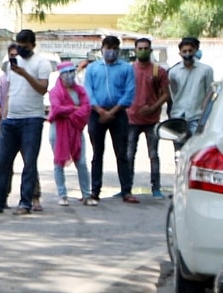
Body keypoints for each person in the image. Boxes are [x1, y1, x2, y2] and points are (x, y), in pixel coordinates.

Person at [0, 29, 51, 215]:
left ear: (33, 45)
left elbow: (42, 89)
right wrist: (2, 115)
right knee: (3, 162)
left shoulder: (41, 63)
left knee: (29, 163)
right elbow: (8, 90)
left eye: (25, 47)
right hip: (11, 118)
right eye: (19, 46)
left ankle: (25, 203)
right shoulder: (9, 64)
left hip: (32, 119)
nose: (22, 50)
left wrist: (24, 74)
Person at [81, 35, 138, 204]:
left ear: (118, 50)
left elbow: (129, 92)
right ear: (102, 49)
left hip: (118, 113)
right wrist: (99, 110)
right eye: (108, 48)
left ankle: (126, 191)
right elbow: (88, 91)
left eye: (114, 48)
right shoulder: (93, 68)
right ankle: (95, 191)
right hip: (96, 114)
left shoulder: (126, 68)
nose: (111, 51)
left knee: (122, 154)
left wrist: (112, 111)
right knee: (97, 154)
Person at [126, 37, 170, 198]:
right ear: (135, 50)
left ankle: (156, 188)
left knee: (153, 155)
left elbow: (166, 94)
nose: (143, 51)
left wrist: (153, 107)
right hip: (131, 120)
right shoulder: (129, 70)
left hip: (152, 121)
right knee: (129, 154)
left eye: (146, 48)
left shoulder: (159, 71)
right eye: (140, 48)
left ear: (151, 50)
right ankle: (127, 188)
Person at [48, 61, 94, 205]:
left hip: (76, 130)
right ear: (60, 75)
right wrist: (74, 109)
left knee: (81, 162)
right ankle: (62, 195)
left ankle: (87, 195)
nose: (69, 76)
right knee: (59, 162)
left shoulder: (80, 90)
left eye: (71, 72)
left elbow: (86, 108)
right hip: (58, 131)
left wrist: (69, 111)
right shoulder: (55, 92)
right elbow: (56, 109)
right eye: (65, 73)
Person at [167, 37, 214, 136]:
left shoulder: (206, 70)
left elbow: (209, 91)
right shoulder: (174, 72)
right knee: (179, 149)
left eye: (190, 51)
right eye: (184, 51)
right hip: (178, 115)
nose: (187, 53)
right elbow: (174, 93)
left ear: (195, 51)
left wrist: (204, 109)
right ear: (180, 53)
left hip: (197, 116)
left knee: (196, 148)